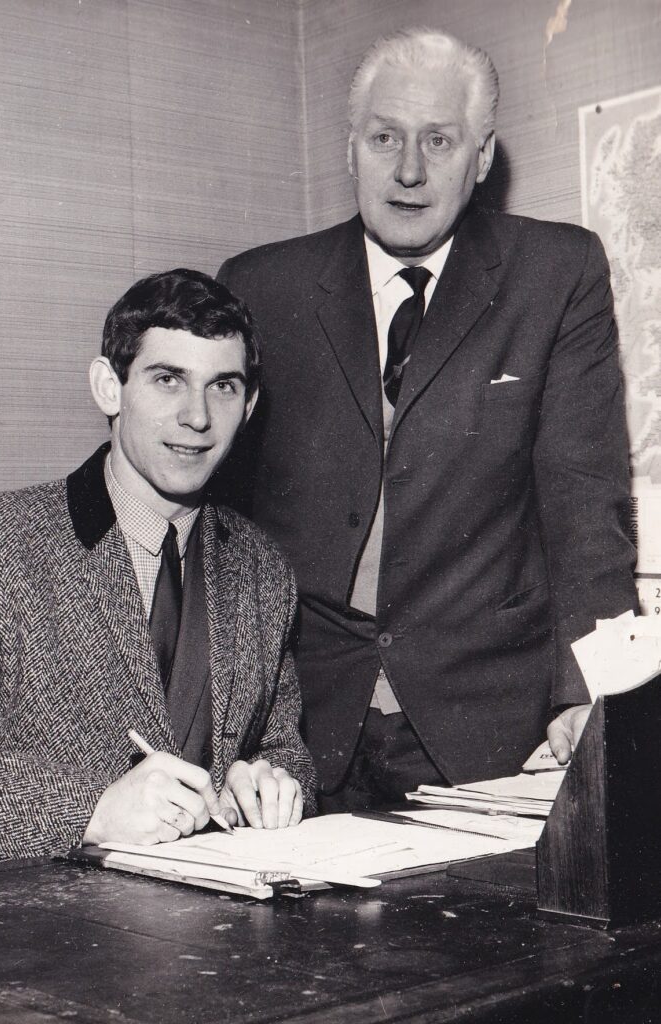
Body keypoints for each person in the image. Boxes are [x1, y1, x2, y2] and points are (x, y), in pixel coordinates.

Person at [216, 27, 638, 810]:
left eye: (439, 141)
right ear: (350, 149)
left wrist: (594, 698)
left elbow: (587, 505)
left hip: (489, 725)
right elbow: (222, 531)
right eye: (385, 137)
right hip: (298, 729)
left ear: (481, 158)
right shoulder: (262, 287)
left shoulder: (556, 273)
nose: (408, 170)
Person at [0, 268, 316, 866]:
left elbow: (284, 748)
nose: (197, 417)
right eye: (168, 380)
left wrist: (270, 785)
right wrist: (92, 812)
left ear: (249, 405)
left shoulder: (265, 570)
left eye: (223, 387)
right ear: (110, 388)